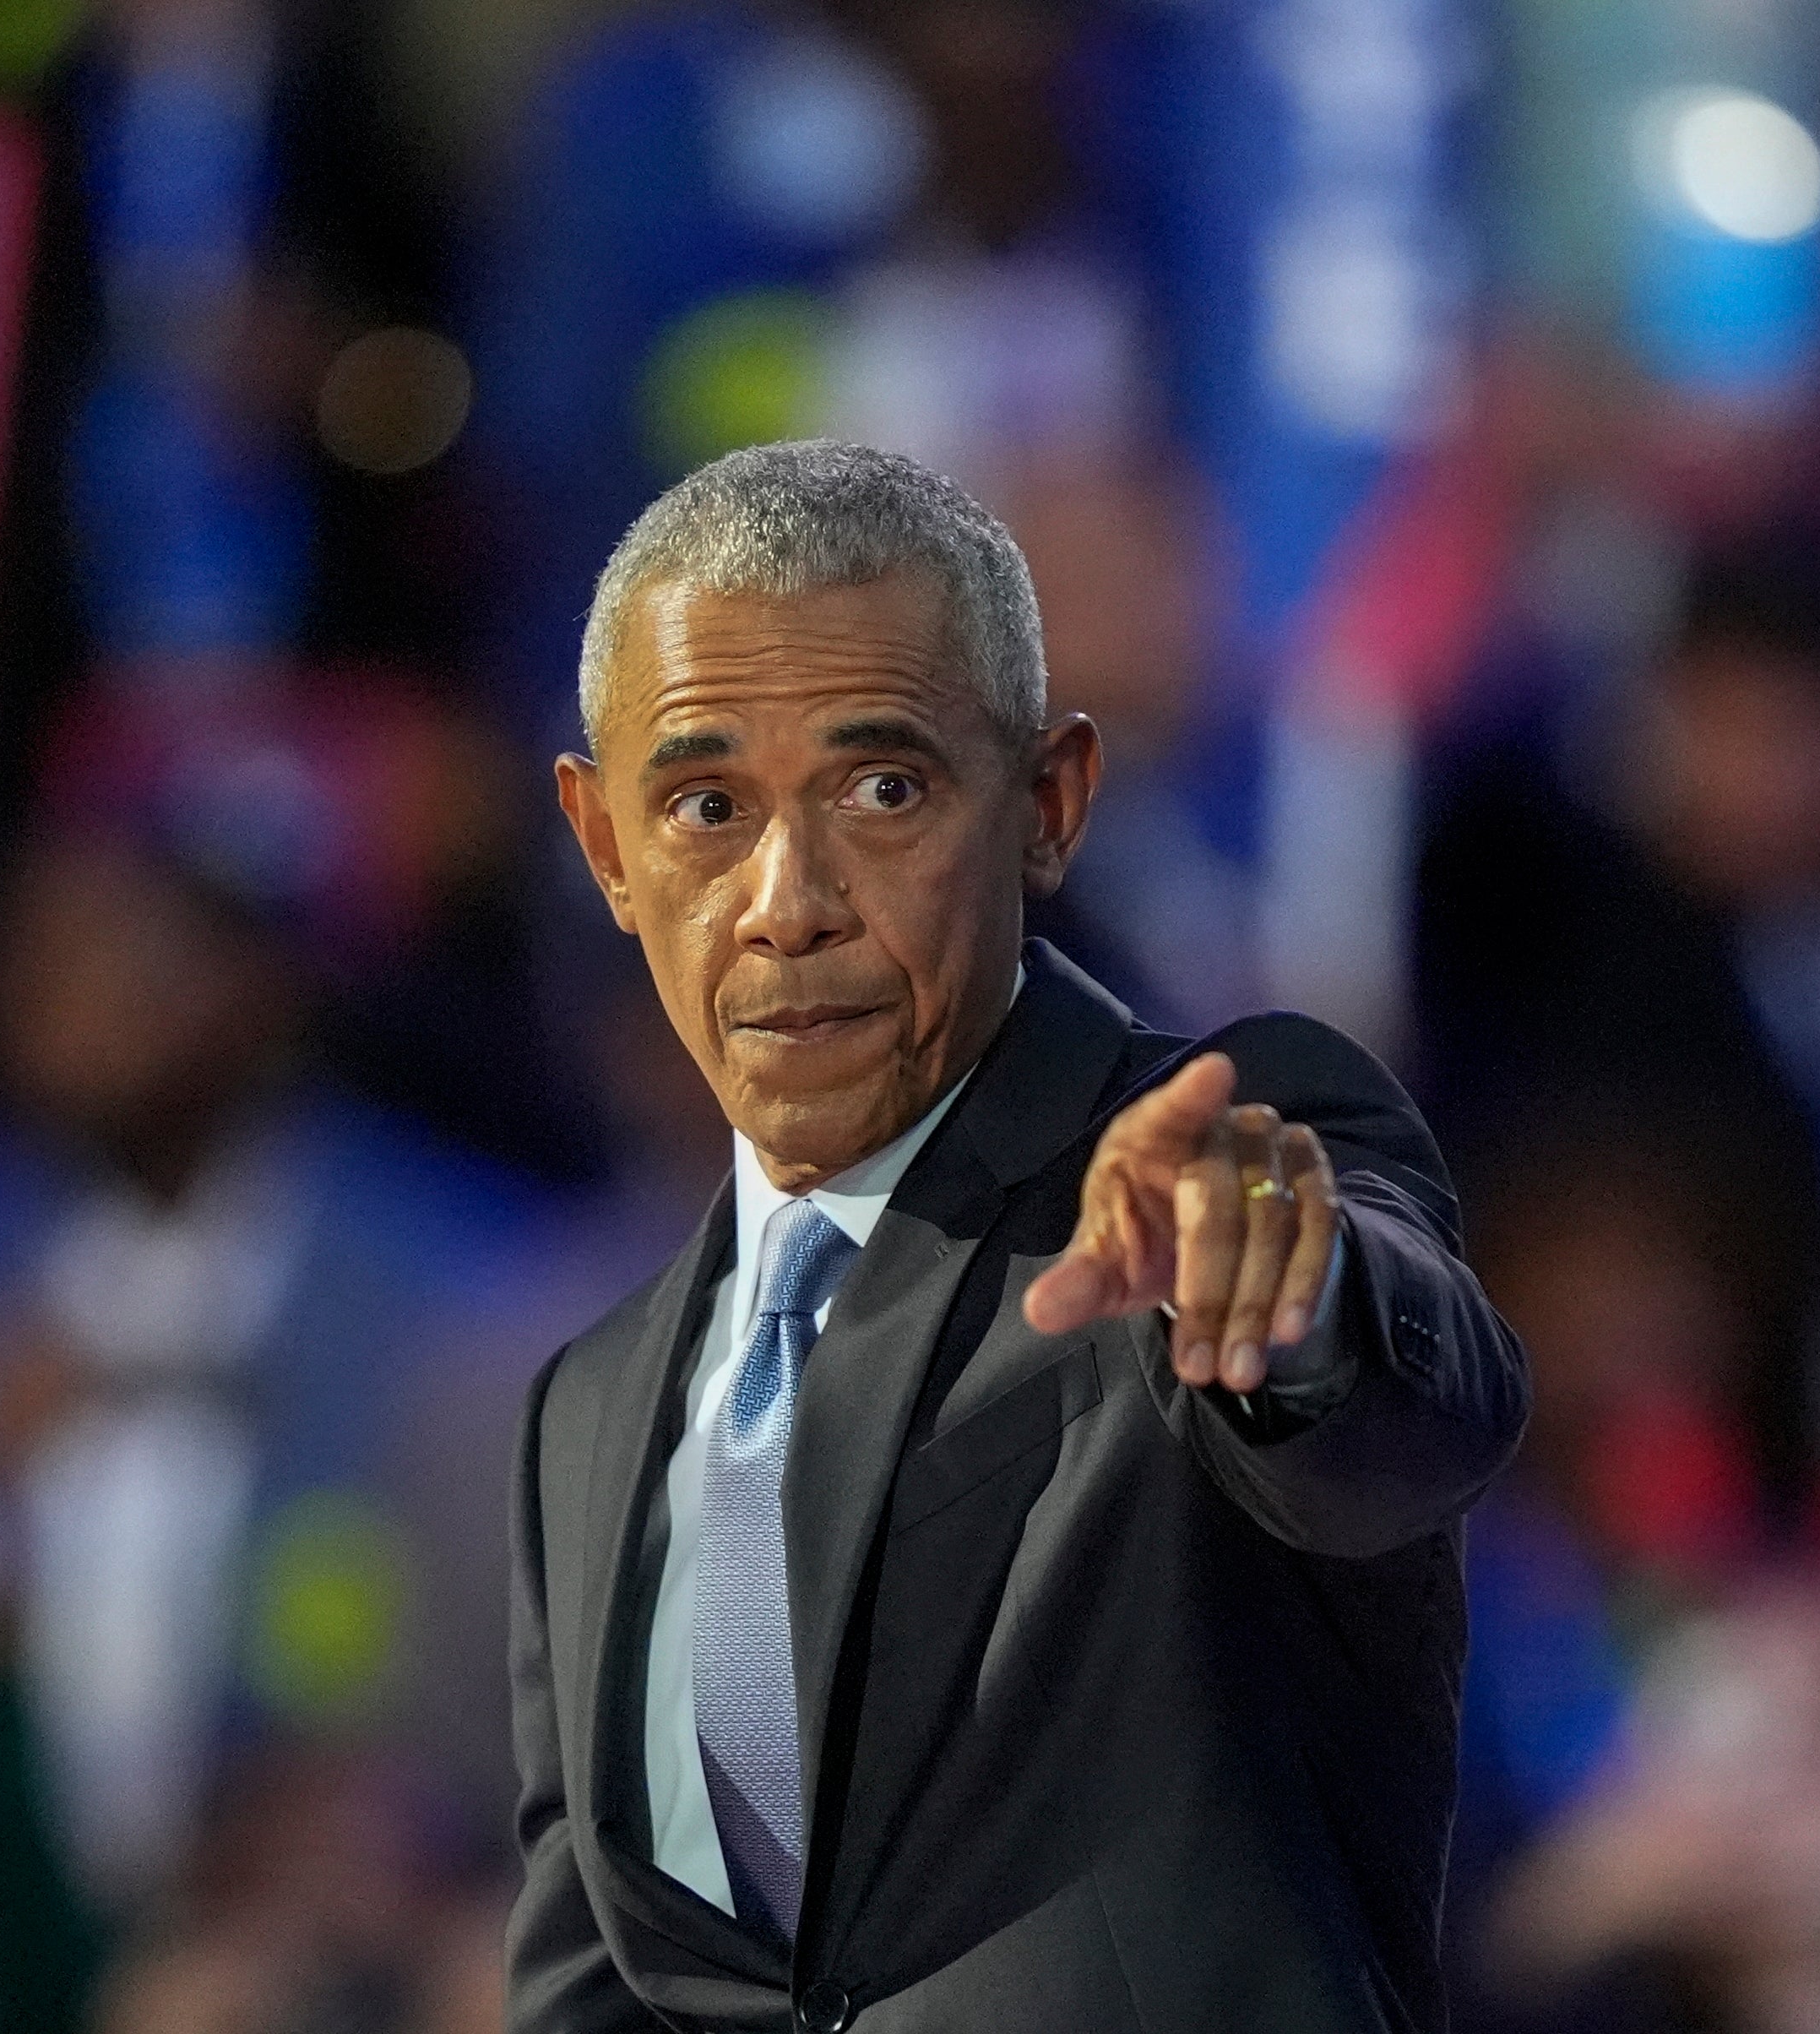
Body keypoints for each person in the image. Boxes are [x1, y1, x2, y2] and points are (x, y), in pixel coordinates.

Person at [505, 441, 1529, 2031]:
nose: (790, 898)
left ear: (1048, 806)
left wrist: (1289, 1288)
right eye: (706, 805)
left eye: (883, 788)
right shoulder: (585, 1413)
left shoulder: (1221, 1151)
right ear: (606, 848)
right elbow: (599, 1990)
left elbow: (1412, 1412)